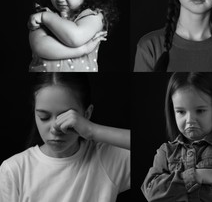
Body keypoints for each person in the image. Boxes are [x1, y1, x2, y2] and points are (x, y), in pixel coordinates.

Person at [0, 73, 130, 202]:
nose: (55, 129)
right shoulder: (14, 170)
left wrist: (92, 130)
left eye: (66, 117)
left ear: (87, 114)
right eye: (44, 117)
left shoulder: (108, 160)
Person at [141, 72, 212, 201]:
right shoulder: (165, 152)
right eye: (181, 112)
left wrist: (175, 193)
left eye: (200, 111)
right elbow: (151, 192)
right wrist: (196, 176)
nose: (189, 120)